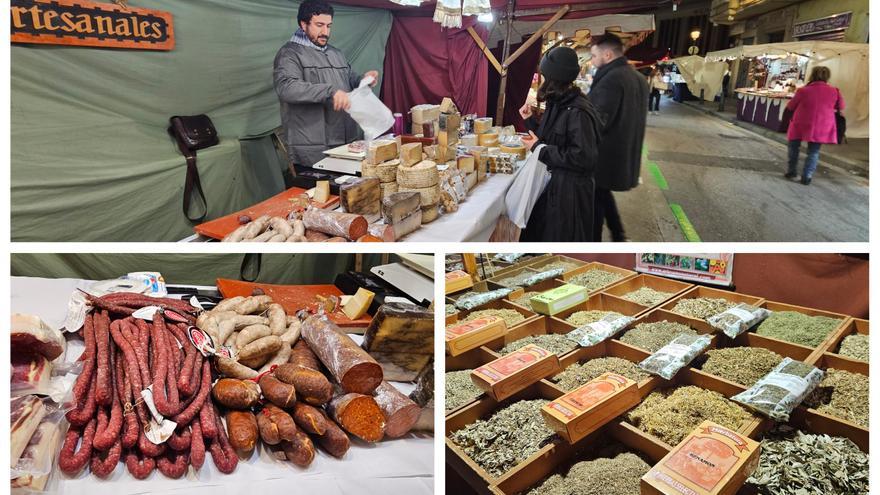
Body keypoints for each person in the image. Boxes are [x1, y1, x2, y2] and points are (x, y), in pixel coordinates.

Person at [273, 0, 380, 167]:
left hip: (344, 142)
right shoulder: (289, 54)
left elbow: (348, 78)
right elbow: (287, 88)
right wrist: (330, 91)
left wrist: (363, 80)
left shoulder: (335, 53)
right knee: (319, 191)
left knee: (346, 191)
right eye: (319, 25)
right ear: (303, 24)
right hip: (313, 146)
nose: (325, 32)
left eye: (329, 26)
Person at [517, 46, 604, 242]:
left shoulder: (577, 111)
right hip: (556, 187)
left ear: (553, 77)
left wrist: (540, 149)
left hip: (570, 197)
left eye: (545, 75)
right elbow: (550, 137)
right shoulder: (559, 101)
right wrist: (530, 120)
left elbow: (583, 158)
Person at [588, 33, 648, 241]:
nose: (592, 61)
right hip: (624, 150)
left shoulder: (611, 79)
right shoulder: (637, 77)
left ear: (607, 54)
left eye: (594, 56)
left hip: (606, 152)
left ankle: (595, 241)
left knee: (595, 197)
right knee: (601, 193)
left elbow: (598, 119)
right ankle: (619, 234)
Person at [784, 65, 844, 185]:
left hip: (800, 123)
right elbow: (841, 107)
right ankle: (807, 176)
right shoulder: (835, 91)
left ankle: (792, 171)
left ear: (812, 75)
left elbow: (791, 106)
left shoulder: (803, 90)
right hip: (822, 125)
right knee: (813, 152)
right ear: (827, 77)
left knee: (793, 147)